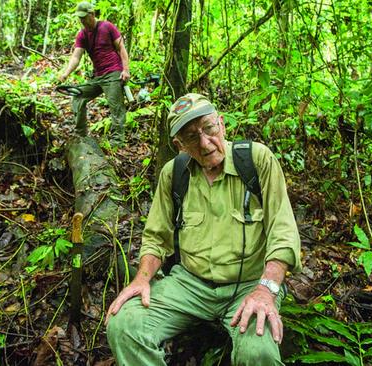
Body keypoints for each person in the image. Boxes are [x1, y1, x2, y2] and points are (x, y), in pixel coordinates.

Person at [105, 93, 302, 365]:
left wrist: (267, 289)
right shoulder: (174, 174)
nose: (205, 143)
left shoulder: (256, 161)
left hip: (248, 284)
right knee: (124, 325)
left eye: (209, 128)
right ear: (179, 145)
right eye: (191, 137)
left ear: (221, 123)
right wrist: (142, 278)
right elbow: (156, 236)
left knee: (258, 353)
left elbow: (283, 231)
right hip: (189, 285)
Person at [59, 1, 130, 143]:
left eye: (84, 17)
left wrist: (125, 70)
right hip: (97, 76)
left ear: (92, 14)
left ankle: (117, 142)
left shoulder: (107, 27)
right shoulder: (82, 35)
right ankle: (81, 135)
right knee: (78, 95)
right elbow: (76, 56)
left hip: (113, 73)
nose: (82, 21)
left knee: (115, 106)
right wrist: (66, 73)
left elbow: (121, 48)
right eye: (80, 18)